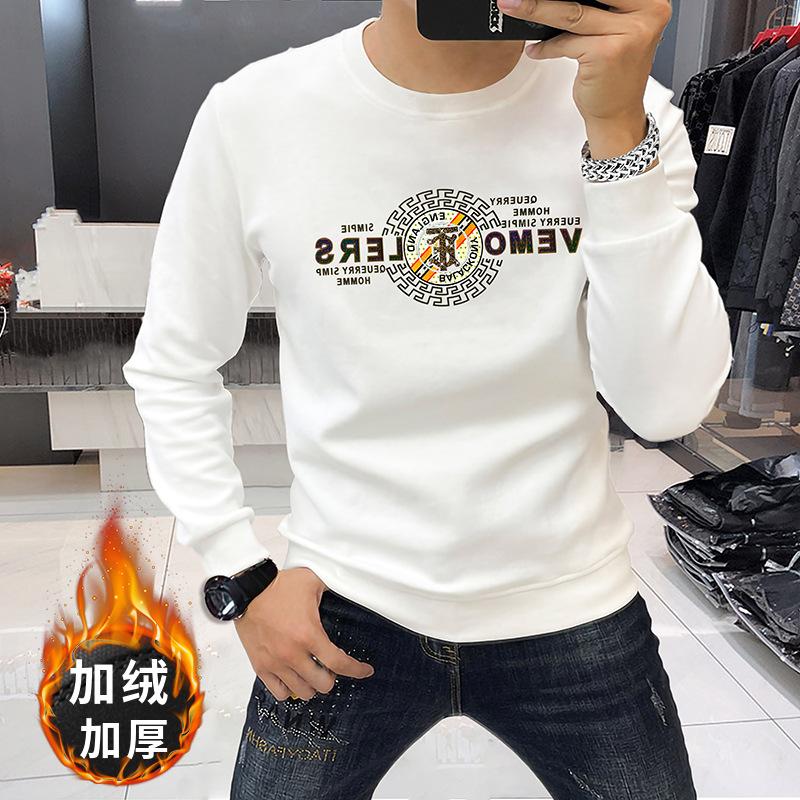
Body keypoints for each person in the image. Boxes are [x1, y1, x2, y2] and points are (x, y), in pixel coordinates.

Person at [122, 1, 733, 797]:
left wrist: (617, 137)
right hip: (342, 598)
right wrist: (240, 573)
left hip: (569, 599)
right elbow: (175, 363)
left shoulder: (626, 109)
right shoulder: (257, 113)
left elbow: (666, 407)